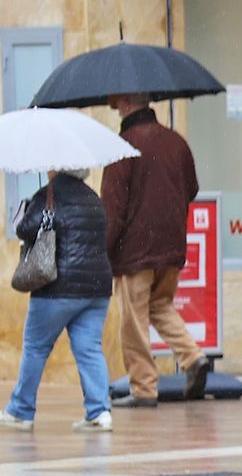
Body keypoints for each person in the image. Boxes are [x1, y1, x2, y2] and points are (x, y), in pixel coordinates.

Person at [101, 94, 210, 407]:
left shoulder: (123, 147)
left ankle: (144, 389)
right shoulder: (176, 142)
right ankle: (193, 358)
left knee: (132, 322)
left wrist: (103, 250)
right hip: (171, 246)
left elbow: (113, 208)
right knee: (160, 305)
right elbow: (191, 189)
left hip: (134, 252)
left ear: (122, 103)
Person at [2, 170, 115, 432]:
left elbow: (24, 228)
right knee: (90, 349)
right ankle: (99, 412)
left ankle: (21, 410)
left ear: (56, 168)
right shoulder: (94, 200)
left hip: (58, 288)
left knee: (35, 347)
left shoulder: (49, 196)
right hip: (97, 288)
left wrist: (30, 205)